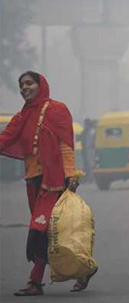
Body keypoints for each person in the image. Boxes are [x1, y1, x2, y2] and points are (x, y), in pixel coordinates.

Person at [0, 71, 96, 296]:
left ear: (40, 85)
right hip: (32, 182)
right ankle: (83, 269)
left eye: (29, 83)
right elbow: (5, 138)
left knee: (39, 230)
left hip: (54, 181)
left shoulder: (56, 109)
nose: (25, 88)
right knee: (55, 233)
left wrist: (71, 174)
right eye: (22, 85)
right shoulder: (22, 116)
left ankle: (35, 282)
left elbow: (66, 145)